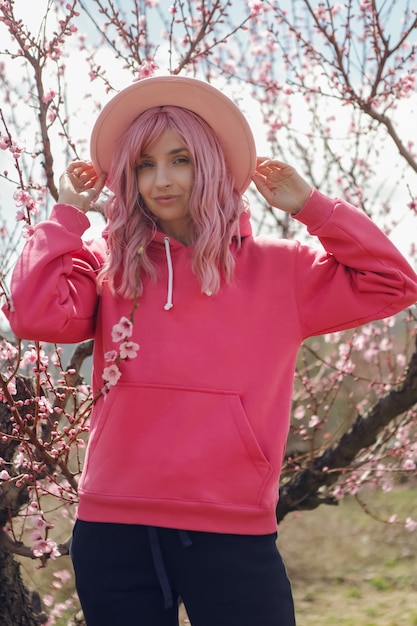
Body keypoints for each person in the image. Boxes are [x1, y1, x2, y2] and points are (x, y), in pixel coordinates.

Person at [4, 75, 417, 626]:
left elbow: (393, 282)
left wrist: (315, 209)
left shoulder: (282, 268)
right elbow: (34, 314)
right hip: (113, 526)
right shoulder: (110, 263)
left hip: (231, 527)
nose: (162, 180)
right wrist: (67, 215)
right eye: (144, 165)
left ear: (212, 165)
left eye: (181, 160)